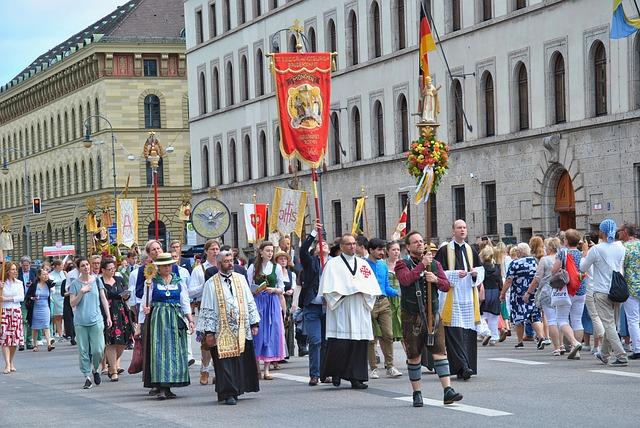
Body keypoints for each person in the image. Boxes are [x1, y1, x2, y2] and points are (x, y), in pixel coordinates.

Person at [395, 231, 463, 407]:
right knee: (414, 355)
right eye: (415, 242)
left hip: (433, 315)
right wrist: (422, 265)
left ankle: (448, 390)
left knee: (440, 352)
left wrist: (436, 279)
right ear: (408, 247)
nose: (419, 244)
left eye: (420, 241)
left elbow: (447, 286)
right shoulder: (402, 264)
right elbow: (405, 280)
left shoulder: (435, 264)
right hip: (412, 316)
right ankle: (417, 393)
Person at [197, 251, 261, 405]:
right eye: (226, 261)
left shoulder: (240, 279)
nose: (230, 263)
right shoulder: (211, 283)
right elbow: (207, 307)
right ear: (219, 264)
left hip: (240, 327)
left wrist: (254, 323)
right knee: (224, 362)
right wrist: (209, 332)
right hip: (221, 329)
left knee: (239, 360)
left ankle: (238, 388)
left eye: (231, 260)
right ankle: (228, 393)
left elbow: (249, 301)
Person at [320, 233, 380, 390]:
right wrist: (346, 291)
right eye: (348, 244)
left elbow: (372, 287)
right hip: (342, 308)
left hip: (359, 307)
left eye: (354, 243)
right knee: (340, 344)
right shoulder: (332, 265)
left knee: (359, 345)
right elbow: (327, 289)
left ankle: (356, 377)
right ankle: (336, 374)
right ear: (341, 247)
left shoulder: (363, 264)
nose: (352, 246)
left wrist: (363, 291)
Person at [138, 253, 194, 399]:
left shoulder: (178, 281)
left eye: (169, 265)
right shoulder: (151, 282)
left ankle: (170, 385)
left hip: (175, 318)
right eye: (164, 266)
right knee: (160, 351)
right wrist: (143, 317)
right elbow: (145, 302)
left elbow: (185, 301)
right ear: (158, 267)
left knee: (174, 351)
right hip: (159, 319)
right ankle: (161, 386)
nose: (167, 268)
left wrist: (190, 319)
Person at [434, 220, 481, 380]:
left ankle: (467, 366)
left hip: (468, 296)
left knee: (467, 333)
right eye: (459, 227)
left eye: (464, 227)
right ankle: (462, 366)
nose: (462, 230)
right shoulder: (445, 250)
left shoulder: (471, 249)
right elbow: (437, 272)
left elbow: (480, 271)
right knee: (454, 334)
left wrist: (475, 274)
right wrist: (454, 274)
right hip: (452, 298)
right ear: (453, 231)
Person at [579, 219, 628, 366]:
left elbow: (582, 267)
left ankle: (621, 355)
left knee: (609, 325)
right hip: (617, 290)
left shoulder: (596, 249)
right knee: (612, 324)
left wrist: (585, 252)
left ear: (602, 232)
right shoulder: (621, 247)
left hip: (601, 291)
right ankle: (604, 354)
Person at [69, 258, 112, 389]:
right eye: (83, 266)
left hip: (96, 319)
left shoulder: (97, 280)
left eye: (87, 264)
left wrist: (108, 316)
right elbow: (72, 303)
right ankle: (87, 376)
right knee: (83, 350)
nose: (86, 267)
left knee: (98, 349)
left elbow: (103, 299)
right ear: (79, 268)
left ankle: (96, 369)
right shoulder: (75, 284)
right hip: (81, 321)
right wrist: (81, 292)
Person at [247, 241, 286, 380]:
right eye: (267, 251)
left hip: (272, 302)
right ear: (261, 252)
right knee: (258, 333)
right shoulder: (253, 267)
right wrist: (255, 290)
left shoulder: (276, 268)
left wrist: (274, 290)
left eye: (271, 251)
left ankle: (267, 368)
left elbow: (282, 288)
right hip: (258, 301)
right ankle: (256, 366)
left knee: (271, 333)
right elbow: (248, 287)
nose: (270, 253)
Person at [365, 238, 402, 379]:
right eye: (379, 250)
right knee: (371, 337)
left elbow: (386, 286)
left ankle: (390, 366)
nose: (382, 252)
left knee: (388, 334)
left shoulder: (382, 265)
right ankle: (373, 368)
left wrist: (398, 292)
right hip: (369, 303)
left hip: (384, 301)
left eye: (383, 249)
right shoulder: (363, 265)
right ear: (371, 250)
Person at [299, 224, 330, 386]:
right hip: (312, 306)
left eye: (325, 244)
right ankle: (315, 374)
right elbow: (303, 251)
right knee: (315, 340)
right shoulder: (311, 262)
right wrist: (312, 235)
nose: (323, 245)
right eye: (320, 244)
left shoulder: (333, 264)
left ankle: (325, 373)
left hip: (329, 307)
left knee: (326, 342)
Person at [500, 243, 545, 349]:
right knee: (534, 316)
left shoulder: (514, 263)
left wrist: (502, 293)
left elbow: (509, 280)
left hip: (518, 294)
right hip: (532, 292)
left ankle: (520, 341)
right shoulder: (535, 261)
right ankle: (541, 337)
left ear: (519, 252)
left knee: (519, 318)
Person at [551, 230, 587, 359]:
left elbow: (554, 269)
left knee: (562, 319)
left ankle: (574, 342)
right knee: (577, 320)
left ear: (566, 240)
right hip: (581, 288)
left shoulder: (562, 252)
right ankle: (575, 351)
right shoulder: (582, 253)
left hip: (566, 289)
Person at [189, 239, 220, 385]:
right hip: (205, 306)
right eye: (212, 249)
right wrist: (205, 284)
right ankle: (205, 369)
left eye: (217, 249)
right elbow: (191, 291)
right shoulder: (198, 270)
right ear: (206, 251)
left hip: (221, 307)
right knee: (207, 341)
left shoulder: (223, 266)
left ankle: (219, 371)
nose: (215, 252)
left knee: (221, 341)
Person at [101, 258, 133, 381]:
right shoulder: (100, 281)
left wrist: (126, 295)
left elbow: (126, 291)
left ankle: (111, 364)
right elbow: (103, 296)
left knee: (122, 342)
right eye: (109, 269)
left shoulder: (119, 279)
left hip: (121, 311)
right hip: (108, 311)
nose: (112, 271)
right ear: (103, 270)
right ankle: (113, 370)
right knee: (111, 341)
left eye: (113, 268)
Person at [528, 238, 562, 355]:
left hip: (547, 291)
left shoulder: (545, 259)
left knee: (551, 319)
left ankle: (557, 347)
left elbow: (537, 278)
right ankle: (563, 345)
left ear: (550, 248)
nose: (545, 248)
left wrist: (529, 292)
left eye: (546, 246)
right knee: (562, 319)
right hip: (561, 290)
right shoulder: (562, 258)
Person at [619, 223, 640, 359]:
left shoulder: (624, 248)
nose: (618, 233)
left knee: (633, 319)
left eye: (620, 231)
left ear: (626, 232)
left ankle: (637, 348)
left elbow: (621, 268)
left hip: (631, 287)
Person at [1, 262, 25, 374]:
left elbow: (21, 297)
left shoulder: (19, 283)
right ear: (7, 271)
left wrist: (8, 298)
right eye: (12, 269)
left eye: (16, 269)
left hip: (16, 311)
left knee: (14, 340)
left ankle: (11, 361)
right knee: (5, 338)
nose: (15, 271)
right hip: (5, 311)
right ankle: (7, 363)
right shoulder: (2, 283)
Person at [25, 268, 55, 352]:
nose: (46, 276)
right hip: (35, 308)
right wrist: (32, 298)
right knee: (35, 327)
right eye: (44, 274)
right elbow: (27, 296)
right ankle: (35, 345)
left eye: (47, 274)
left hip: (45, 307)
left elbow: (53, 288)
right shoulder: (34, 285)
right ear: (39, 276)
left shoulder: (49, 284)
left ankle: (49, 344)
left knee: (46, 325)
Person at [274, 250, 297, 360]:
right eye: (280, 259)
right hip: (278, 299)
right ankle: (279, 353)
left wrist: (292, 291)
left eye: (285, 259)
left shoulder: (291, 274)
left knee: (288, 324)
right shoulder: (275, 272)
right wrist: (282, 292)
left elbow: (295, 286)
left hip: (288, 300)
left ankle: (287, 352)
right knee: (280, 325)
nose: (283, 261)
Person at [478, 246, 502, 346]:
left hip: (484, 291)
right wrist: (501, 292)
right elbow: (500, 281)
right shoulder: (496, 267)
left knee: (481, 314)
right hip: (495, 291)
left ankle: (486, 332)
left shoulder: (481, 267)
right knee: (494, 316)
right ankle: (494, 337)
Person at [385, 241, 404, 344]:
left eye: (398, 249)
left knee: (404, 330)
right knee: (388, 331)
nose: (396, 252)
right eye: (393, 249)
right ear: (387, 251)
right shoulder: (383, 264)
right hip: (387, 299)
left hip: (401, 298)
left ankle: (410, 358)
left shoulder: (403, 263)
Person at [18, 256, 36, 351]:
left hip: (31, 298)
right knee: (22, 320)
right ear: (21, 265)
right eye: (24, 265)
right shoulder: (18, 272)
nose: (25, 267)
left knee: (30, 320)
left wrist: (32, 284)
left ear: (30, 265)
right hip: (22, 299)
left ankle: (29, 341)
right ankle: (21, 342)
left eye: (27, 265)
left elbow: (38, 282)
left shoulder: (34, 272)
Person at [49, 260, 65, 340]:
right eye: (60, 265)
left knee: (64, 314)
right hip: (56, 295)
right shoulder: (51, 275)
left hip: (63, 294)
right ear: (56, 266)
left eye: (62, 265)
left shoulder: (63, 273)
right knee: (58, 315)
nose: (62, 266)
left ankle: (65, 332)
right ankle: (60, 333)